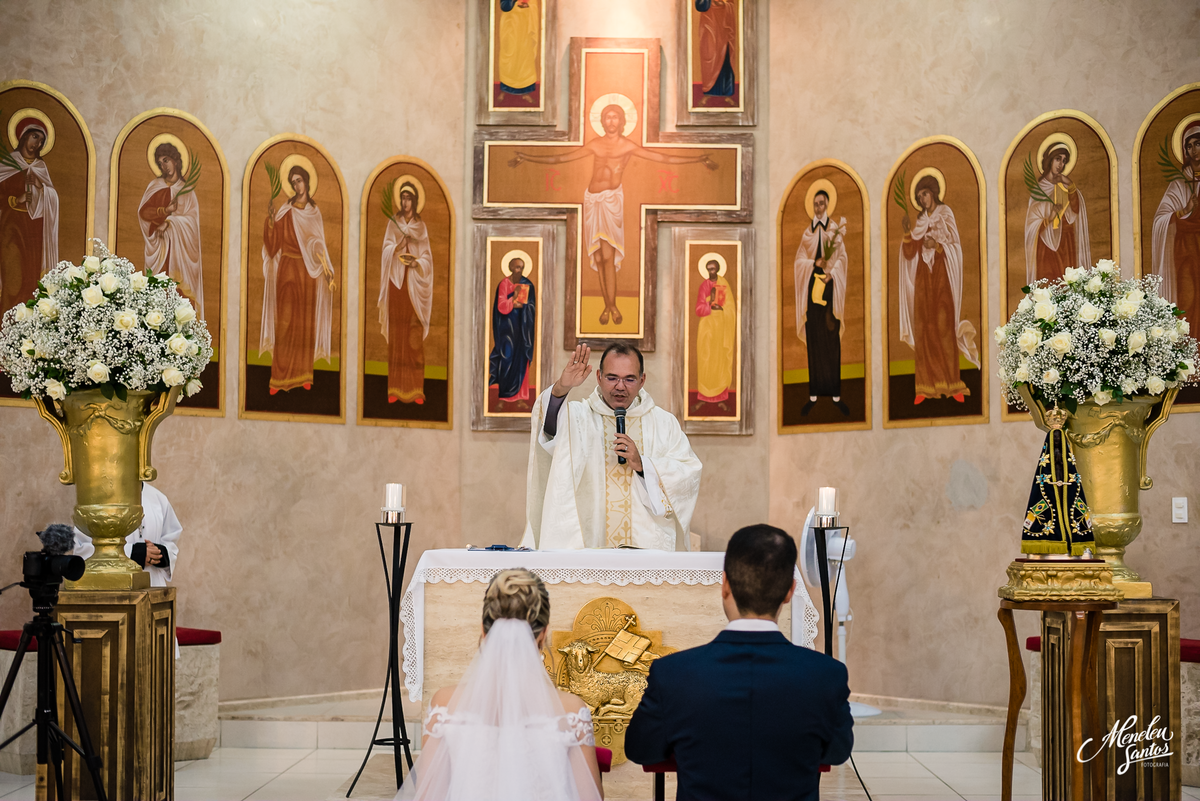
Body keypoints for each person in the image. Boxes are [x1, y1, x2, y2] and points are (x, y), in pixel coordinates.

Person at [625, 525, 853, 801]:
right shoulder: (827, 675)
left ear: (725, 585)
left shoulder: (672, 674)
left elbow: (641, 749)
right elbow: (837, 752)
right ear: (790, 591)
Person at [396, 568, 602, 800]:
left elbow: (429, 796)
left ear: (484, 630)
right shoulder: (572, 710)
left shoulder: (445, 705)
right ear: (543, 634)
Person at [509, 105, 717, 326]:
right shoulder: (595, 144)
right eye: (607, 117)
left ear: (622, 121)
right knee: (598, 257)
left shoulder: (627, 145)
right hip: (592, 199)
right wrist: (527, 157)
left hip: (611, 201)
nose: (611, 121)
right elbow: (562, 159)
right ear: (602, 121)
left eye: (615, 117)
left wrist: (697, 159)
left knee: (608, 256)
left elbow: (662, 158)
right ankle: (609, 306)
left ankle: (612, 306)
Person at [520, 343, 702, 551]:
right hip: (588, 548)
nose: (620, 386)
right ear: (598, 377)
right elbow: (549, 429)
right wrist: (561, 388)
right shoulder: (578, 417)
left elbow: (688, 473)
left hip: (646, 549)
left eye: (629, 379)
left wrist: (644, 465)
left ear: (642, 380)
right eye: (612, 378)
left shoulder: (663, 423)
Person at [897, 174, 979, 404]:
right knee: (924, 328)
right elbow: (909, 253)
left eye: (925, 194)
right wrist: (907, 234)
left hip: (941, 278)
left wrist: (938, 245)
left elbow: (956, 246)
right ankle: (925, 387)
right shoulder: (921, 221)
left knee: (944, 327)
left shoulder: (946, 214)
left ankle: (953, 385)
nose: (922, 199)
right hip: (924, 279)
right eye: (919, 196)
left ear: (933, 192)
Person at [260, 164, 336, 395]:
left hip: (307, 272)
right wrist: (271, 222)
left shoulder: (314, 212)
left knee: (304, 324)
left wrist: (321, 261)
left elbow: (319, 244)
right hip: (287, 269)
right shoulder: (286, 210)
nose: (296, 185)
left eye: (299, 180)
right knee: (284, 323)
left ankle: (304, 374)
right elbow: (273, 247)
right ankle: (279, 377)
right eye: (293, 182)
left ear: (307, 182)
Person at [793, 190, 849, 416]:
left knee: (831, 338)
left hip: (829, 292)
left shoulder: (835, 231)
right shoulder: (808, 233)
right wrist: (813, 263)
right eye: (815, 204)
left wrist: (831, 273)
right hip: (811, 293)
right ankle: (813, 394)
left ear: (827, 205)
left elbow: (842, 258)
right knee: (815, 339)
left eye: (821, 203)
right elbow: (799, 261)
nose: (818, 207)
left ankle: (835, 394)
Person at [378, 182, 433, 404]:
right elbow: (385, 250)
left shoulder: (421, 226)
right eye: (402, 198)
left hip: (414, 287)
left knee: (413, 337)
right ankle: (394, 389)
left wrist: (417, 263)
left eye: (409, 198)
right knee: (397, 336)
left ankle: (416, 389)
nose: (405, 202)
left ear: (415, 201)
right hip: (397, 285)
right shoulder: (394, 224)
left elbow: (427, 258)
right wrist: (397, 246)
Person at [138, 141, 205, 318]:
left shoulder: (187, 191)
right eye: (160, 163)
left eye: (166, 160)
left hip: (179, 253)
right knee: (159, 295)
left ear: (175, 160)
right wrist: (164, 211)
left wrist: (170, 222)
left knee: (179, 296)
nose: (164, 166)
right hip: (160, 250)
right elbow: (144, 212)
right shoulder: (156, 186)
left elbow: (192, 223)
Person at [0, 116, 58, 314]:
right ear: (23, 137)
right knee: (13, 275)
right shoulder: (8, 163)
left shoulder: (41, 167)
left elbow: (52, 198)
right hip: (12, 226)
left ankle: (28, 326)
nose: (37, 144)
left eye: (41, 141)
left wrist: (42, 188)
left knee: (30, 277)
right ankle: (7, 325)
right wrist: (16, 200)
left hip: (34, 228)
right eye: (34, 137)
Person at [72, 483, 181, 587]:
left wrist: (160, 554)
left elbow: (171, 540)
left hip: (153, 584)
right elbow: (82, 549)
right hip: (114, 587)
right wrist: (133, 553)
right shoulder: (98, 499)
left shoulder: (157, 498)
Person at [1024, 142, 1090, 285]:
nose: (1061, 164)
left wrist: (1071, 186)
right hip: (1046, 245)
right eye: (1057, 159)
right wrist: (1049, 215)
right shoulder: (1039, 190)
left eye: (1064, 160)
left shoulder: (1066, 185)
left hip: (1066, 242)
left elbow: (1076, 210)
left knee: (1068, 284)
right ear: (1050, 160)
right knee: (1049, 284)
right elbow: (1032, 225)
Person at [1152, 119, 1200, 317]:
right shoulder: (1179, 184)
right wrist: (1184, 210)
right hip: (1186, 249)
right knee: (1187, 299)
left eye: (1197, 143)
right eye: (1188, 146)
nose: (1193, 150)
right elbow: (1159, 219)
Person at [489, 255, 537, 403]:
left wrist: (523, 305)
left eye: (522, 268)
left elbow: (530, 306)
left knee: (521, 360)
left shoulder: (527, 284)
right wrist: (514, 297)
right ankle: (504, 396)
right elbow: (501, 307)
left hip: (523, 330)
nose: (519, 270)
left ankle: (521, 397)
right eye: (517, 267)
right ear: (510, 268)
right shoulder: (504, 284)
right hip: (506, 331)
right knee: (507, 358)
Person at [694, 258, 736, 407]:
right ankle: (704, 395)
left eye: (713, 269)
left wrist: (722, 308)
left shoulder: (724, 284)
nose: (711, 272)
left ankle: (721, 398)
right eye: (709, 269)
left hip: (721, 327)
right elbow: (699, 309)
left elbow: (731, 308)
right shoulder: (704, 286)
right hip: (707, 327)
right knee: (706, 359)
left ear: (717, 269)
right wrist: (709, 301)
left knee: (720, 360)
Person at [497, 0, 540, 100]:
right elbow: (504, 6)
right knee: (509, 55)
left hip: (525, 26)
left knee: (525, 57)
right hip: (511, 25)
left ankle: (526, 92)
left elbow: (534, 4)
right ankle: (505, 89)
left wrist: (528, 5)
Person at [695, 0, 738, 100]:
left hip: (724, 21)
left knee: (726, 53)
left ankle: (727, 92)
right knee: (710, 53)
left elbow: (731, 3)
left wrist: (724, 4)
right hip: (710, 21)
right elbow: (700, 6)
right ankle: (709, 89)